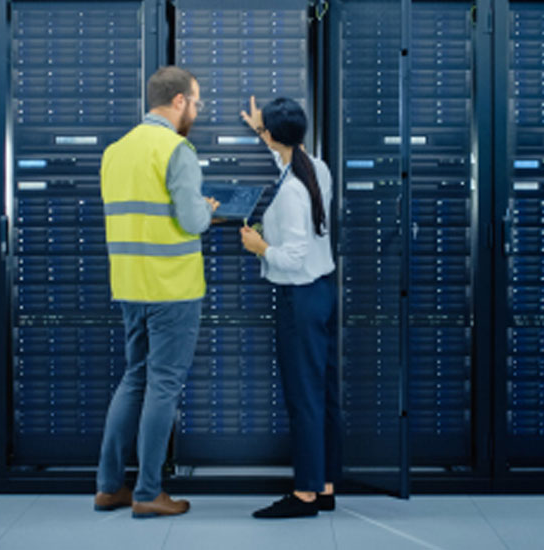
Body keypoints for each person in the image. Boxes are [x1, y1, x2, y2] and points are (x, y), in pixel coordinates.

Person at [94, 66, 219, 519]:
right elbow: (190, 221)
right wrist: (206, 211)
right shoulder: (176, 149)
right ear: (180, 100)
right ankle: (148, 492)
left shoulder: (116, 151)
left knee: (135, 379)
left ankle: (109, 487)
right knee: (163, 385)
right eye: (197, 102)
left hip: (130, 284)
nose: (198, 111)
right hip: (172, 287)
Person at [239, 96, 341, 518]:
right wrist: (262, 130)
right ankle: (325, 485)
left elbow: (294, 258)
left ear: (276, 136)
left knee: (303, 399)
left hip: (300, 298)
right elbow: (286, 157)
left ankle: (304, 496)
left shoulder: (295, 189)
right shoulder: (314, 167)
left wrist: (261, 247)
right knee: (323, 394)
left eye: (265, 131)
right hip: (322, 293)